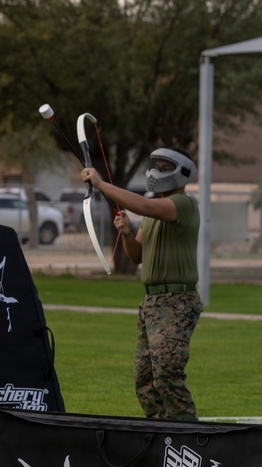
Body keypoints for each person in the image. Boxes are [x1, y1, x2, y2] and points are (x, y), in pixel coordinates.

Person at [82, 148, 202, 421]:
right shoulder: (153, 213)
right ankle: (161, 433)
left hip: (176, 302)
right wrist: (126, 232)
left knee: (167, 376)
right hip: (152, 303)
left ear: (182, 172)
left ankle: (189, 436)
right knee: (145, 381)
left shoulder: (182, 204)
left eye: (164, 167)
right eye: (156, 166)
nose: (156, 172)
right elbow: (136, 256)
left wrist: (101, 184)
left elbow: (143, 205)